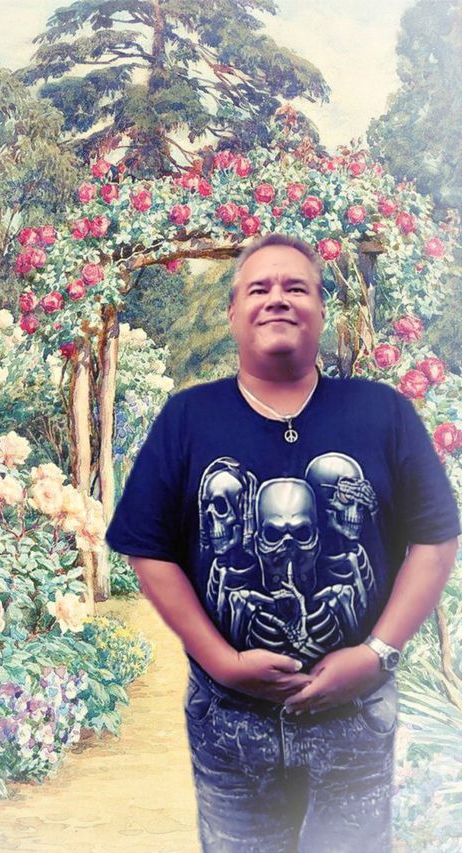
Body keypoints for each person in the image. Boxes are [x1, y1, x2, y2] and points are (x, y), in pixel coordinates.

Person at [105, 233, 460, 853]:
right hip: (230, 721)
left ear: (321, 309)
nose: (277, 299)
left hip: (355, 718)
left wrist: (376, 653)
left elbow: (435, 539)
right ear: (233, 313)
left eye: (296, 287)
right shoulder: (188, 418)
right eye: (258, 288)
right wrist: (221, 661)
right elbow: (148, 548)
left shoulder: (383, 412)